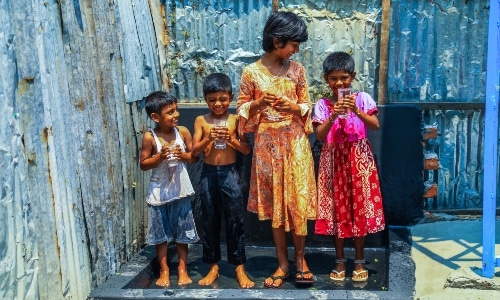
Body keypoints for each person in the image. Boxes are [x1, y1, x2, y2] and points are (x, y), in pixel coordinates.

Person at [236, 12, 317, 288]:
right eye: (294, 44)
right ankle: (283, 263)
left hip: (295, 143)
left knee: (296, 201)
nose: (296, 50)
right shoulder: (250, 72)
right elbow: (241, 111)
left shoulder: (297, 70)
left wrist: (294, 108)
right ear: (276, 40)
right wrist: (259, 104)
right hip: (267, 146)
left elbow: (308, 106)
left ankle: (302, 260)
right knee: (276, 206)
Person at [312, 51, 386, 282]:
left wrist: (356, 110)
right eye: (333, 79)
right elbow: (321, 136)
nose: (339, 83)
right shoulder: (323, 105)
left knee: (359, 209)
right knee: (336, 211)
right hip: (333, 163)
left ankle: (360, 260)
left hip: (359, 160)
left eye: (344, 77)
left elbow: (374, 125)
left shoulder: (362, 98)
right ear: (326, 79)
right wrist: (333, 116)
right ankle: (340, 259)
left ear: (352, 76)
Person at [191, 73, 254, 288]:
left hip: (230, 175)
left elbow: (246, 149)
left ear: (231, 97)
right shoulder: (201, 120)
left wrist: (232, 140)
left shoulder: (236, 120)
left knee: (235, 220)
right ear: (205, 99)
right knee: (210, 220)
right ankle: (213, 267)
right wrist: (208, 138)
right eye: (212, 100)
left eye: (222, 99)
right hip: (209, 174)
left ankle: (239, 268)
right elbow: (194, 152)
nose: (217, 104)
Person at [139, 91, 200, 287]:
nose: (176, 115)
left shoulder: (182, 132)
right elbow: (143, 164)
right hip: (159, 192)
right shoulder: (150, 137)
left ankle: (183, 268)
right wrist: (160, 157)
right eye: (170, 112)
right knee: (160, 234)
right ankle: (164, 270)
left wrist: (182, 155)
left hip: (180, 190)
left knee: (183, 232)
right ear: (155, 117)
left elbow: (194, 157)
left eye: (176, 110)